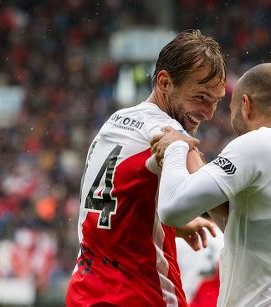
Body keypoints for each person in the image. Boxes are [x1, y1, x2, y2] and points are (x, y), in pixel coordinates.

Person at [152, 63, 271, 306]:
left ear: (246, 104)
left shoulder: (261, 143)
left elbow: (172, 209)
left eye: (231, 108)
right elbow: (250, 225)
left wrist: (176, 147)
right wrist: (197, 165)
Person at [65, 29, 226, 306]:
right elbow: (217, 193)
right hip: (139, 294)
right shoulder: (168, 131)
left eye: (216, 101)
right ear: (164, 82)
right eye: (200, 98)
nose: (209, 113)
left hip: (86, 291)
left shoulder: (115, 122)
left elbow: (121, 193)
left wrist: (170, 225)